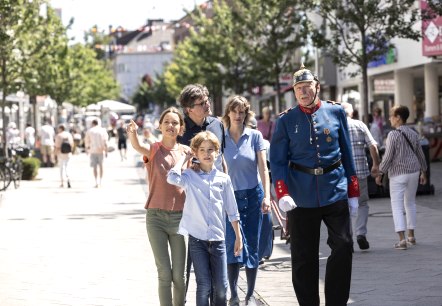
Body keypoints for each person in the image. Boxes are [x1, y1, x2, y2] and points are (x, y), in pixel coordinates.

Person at [270, 64, 360, 306]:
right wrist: (282, 192)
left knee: (343, 245)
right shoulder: (286, 120)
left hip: (334, 189)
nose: (302, 92)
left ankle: (336, 301)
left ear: (316, 87)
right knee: (303, 257)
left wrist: (353, 190)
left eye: (306, 87)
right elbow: (277, 161)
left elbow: (347, 152)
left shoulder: (336, 112)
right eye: (298, 88)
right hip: (301, 195)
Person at [167, 131, 243, 306]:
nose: (207, 154)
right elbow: (172, 178)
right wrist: (184, 159)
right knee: (204, 286)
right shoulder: (189, 177)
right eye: (202, 150)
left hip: (218, 240)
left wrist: (238, 236)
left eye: (211, 150)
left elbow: (232, 210)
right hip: (197, 240)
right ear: (196, 153)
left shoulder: (224, 179)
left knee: (222, 287)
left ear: (217, 152)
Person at [127, 107, 191, 306]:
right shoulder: (154, 149)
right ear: (160, 126)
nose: (171, 126)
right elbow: (138, 146)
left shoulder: (186, 152)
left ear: (181, 128)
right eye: (167, 122)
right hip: (155, 218)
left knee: (179, 276)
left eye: (175, 123)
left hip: (180, 218)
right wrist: (132, 134)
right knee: (164, 273)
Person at [222, 95, 271, 306]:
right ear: (228, 113)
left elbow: (263, 169)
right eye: (235, 111)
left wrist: (267, 196)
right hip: (230, 198)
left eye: (242, 111)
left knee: (251, 245)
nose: (238, 115)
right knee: (232, 245)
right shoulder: (220, 138)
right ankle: (233, 294)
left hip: (253, 196)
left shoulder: (255, 136)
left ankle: (250, 295)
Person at [375, 105, 427, 250]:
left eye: (391, 115)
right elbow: (420, 154)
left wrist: (380, 172)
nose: (389, 118)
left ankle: (402, 240)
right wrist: (424, 172)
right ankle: (411, 236)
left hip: (398, 174)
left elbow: (388, 157)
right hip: (414, 172)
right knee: (410, 203)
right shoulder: (413, 133)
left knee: (397, 205)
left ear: (398, 117)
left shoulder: (392, 135)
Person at [342, 102, 381, 250]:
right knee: (363, 203)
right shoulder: (360, 125)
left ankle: (347, 238)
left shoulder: (336, 126)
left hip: (342, 174)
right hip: (360, 173)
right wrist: (376, 165)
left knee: (343, 206)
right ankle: (361, 233)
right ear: (351, 113)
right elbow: (373, 145)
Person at [177, 83, 227, 172]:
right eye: (202, 103)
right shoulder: (179, 130)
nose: (207, 105)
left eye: (207, 100)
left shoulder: (218, 124)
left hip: (218, 184)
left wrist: (227, 181)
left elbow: (221, 157)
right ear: (189, 109)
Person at [248, 117, 273, 263]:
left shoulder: (262, 142)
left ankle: (261, 251)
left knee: (264, 219)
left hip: (262, 182)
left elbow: (267, 165)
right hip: (248, 184)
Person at [84, 119, 108, 188]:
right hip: (101, 150)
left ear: (92, 123)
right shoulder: (103, 130)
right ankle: (101, 181)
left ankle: (96, 182)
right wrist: (106, 151)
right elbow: (105, 141)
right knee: (101, 166)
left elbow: (86, 142)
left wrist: (86, 150)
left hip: (93, 151)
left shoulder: (90, 131)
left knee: (94, 167)